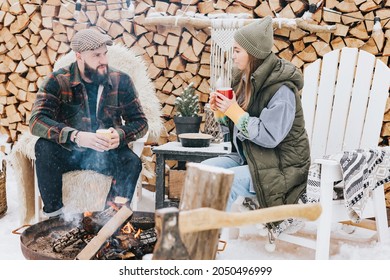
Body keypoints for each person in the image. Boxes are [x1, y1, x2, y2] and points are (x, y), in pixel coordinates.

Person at [29, 29, 148, 218]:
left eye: (105, 54)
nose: (104, 61)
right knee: (43, 147)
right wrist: (75, 136)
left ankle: (110, 219)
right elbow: (36, 120)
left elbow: (140, 122)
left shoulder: (121, 80)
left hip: (108, 153)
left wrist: (120, 135)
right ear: (79, 56)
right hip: (70, 152)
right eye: (96, 55)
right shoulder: (58, 81)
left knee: (132, 162)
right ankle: (55, 218)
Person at [204, 16, 311, 226]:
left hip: (282, 167)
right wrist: (222, 112)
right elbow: (238, 127)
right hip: (252, 158)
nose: (232, 56)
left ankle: (208, 242)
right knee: (204, 170)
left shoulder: (282, 90)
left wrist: (235, 112)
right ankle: (196, 234)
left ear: (252, 54)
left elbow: (269, 136)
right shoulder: (246, 80)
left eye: (237, 51)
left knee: (224, 182)